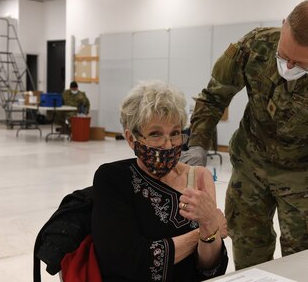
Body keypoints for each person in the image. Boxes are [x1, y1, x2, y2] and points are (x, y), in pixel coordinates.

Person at [181, 0, 308, 270]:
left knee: (307, 261)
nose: (289, 66)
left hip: (300, 180)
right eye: (284, 57)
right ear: (284, 26)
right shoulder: (254, 46)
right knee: (249, 256)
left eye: (300, 63)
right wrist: (198, 143)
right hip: (249, 168)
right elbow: (214, 96)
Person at [91, 80, 228, 281]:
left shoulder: (199, 178)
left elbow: (210, 270)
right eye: (155, 134)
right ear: (131, 139)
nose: (168, 144)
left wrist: (209, 233)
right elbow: (126, 261)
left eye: (174, 133)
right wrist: (205, 229)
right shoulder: (112, 178)